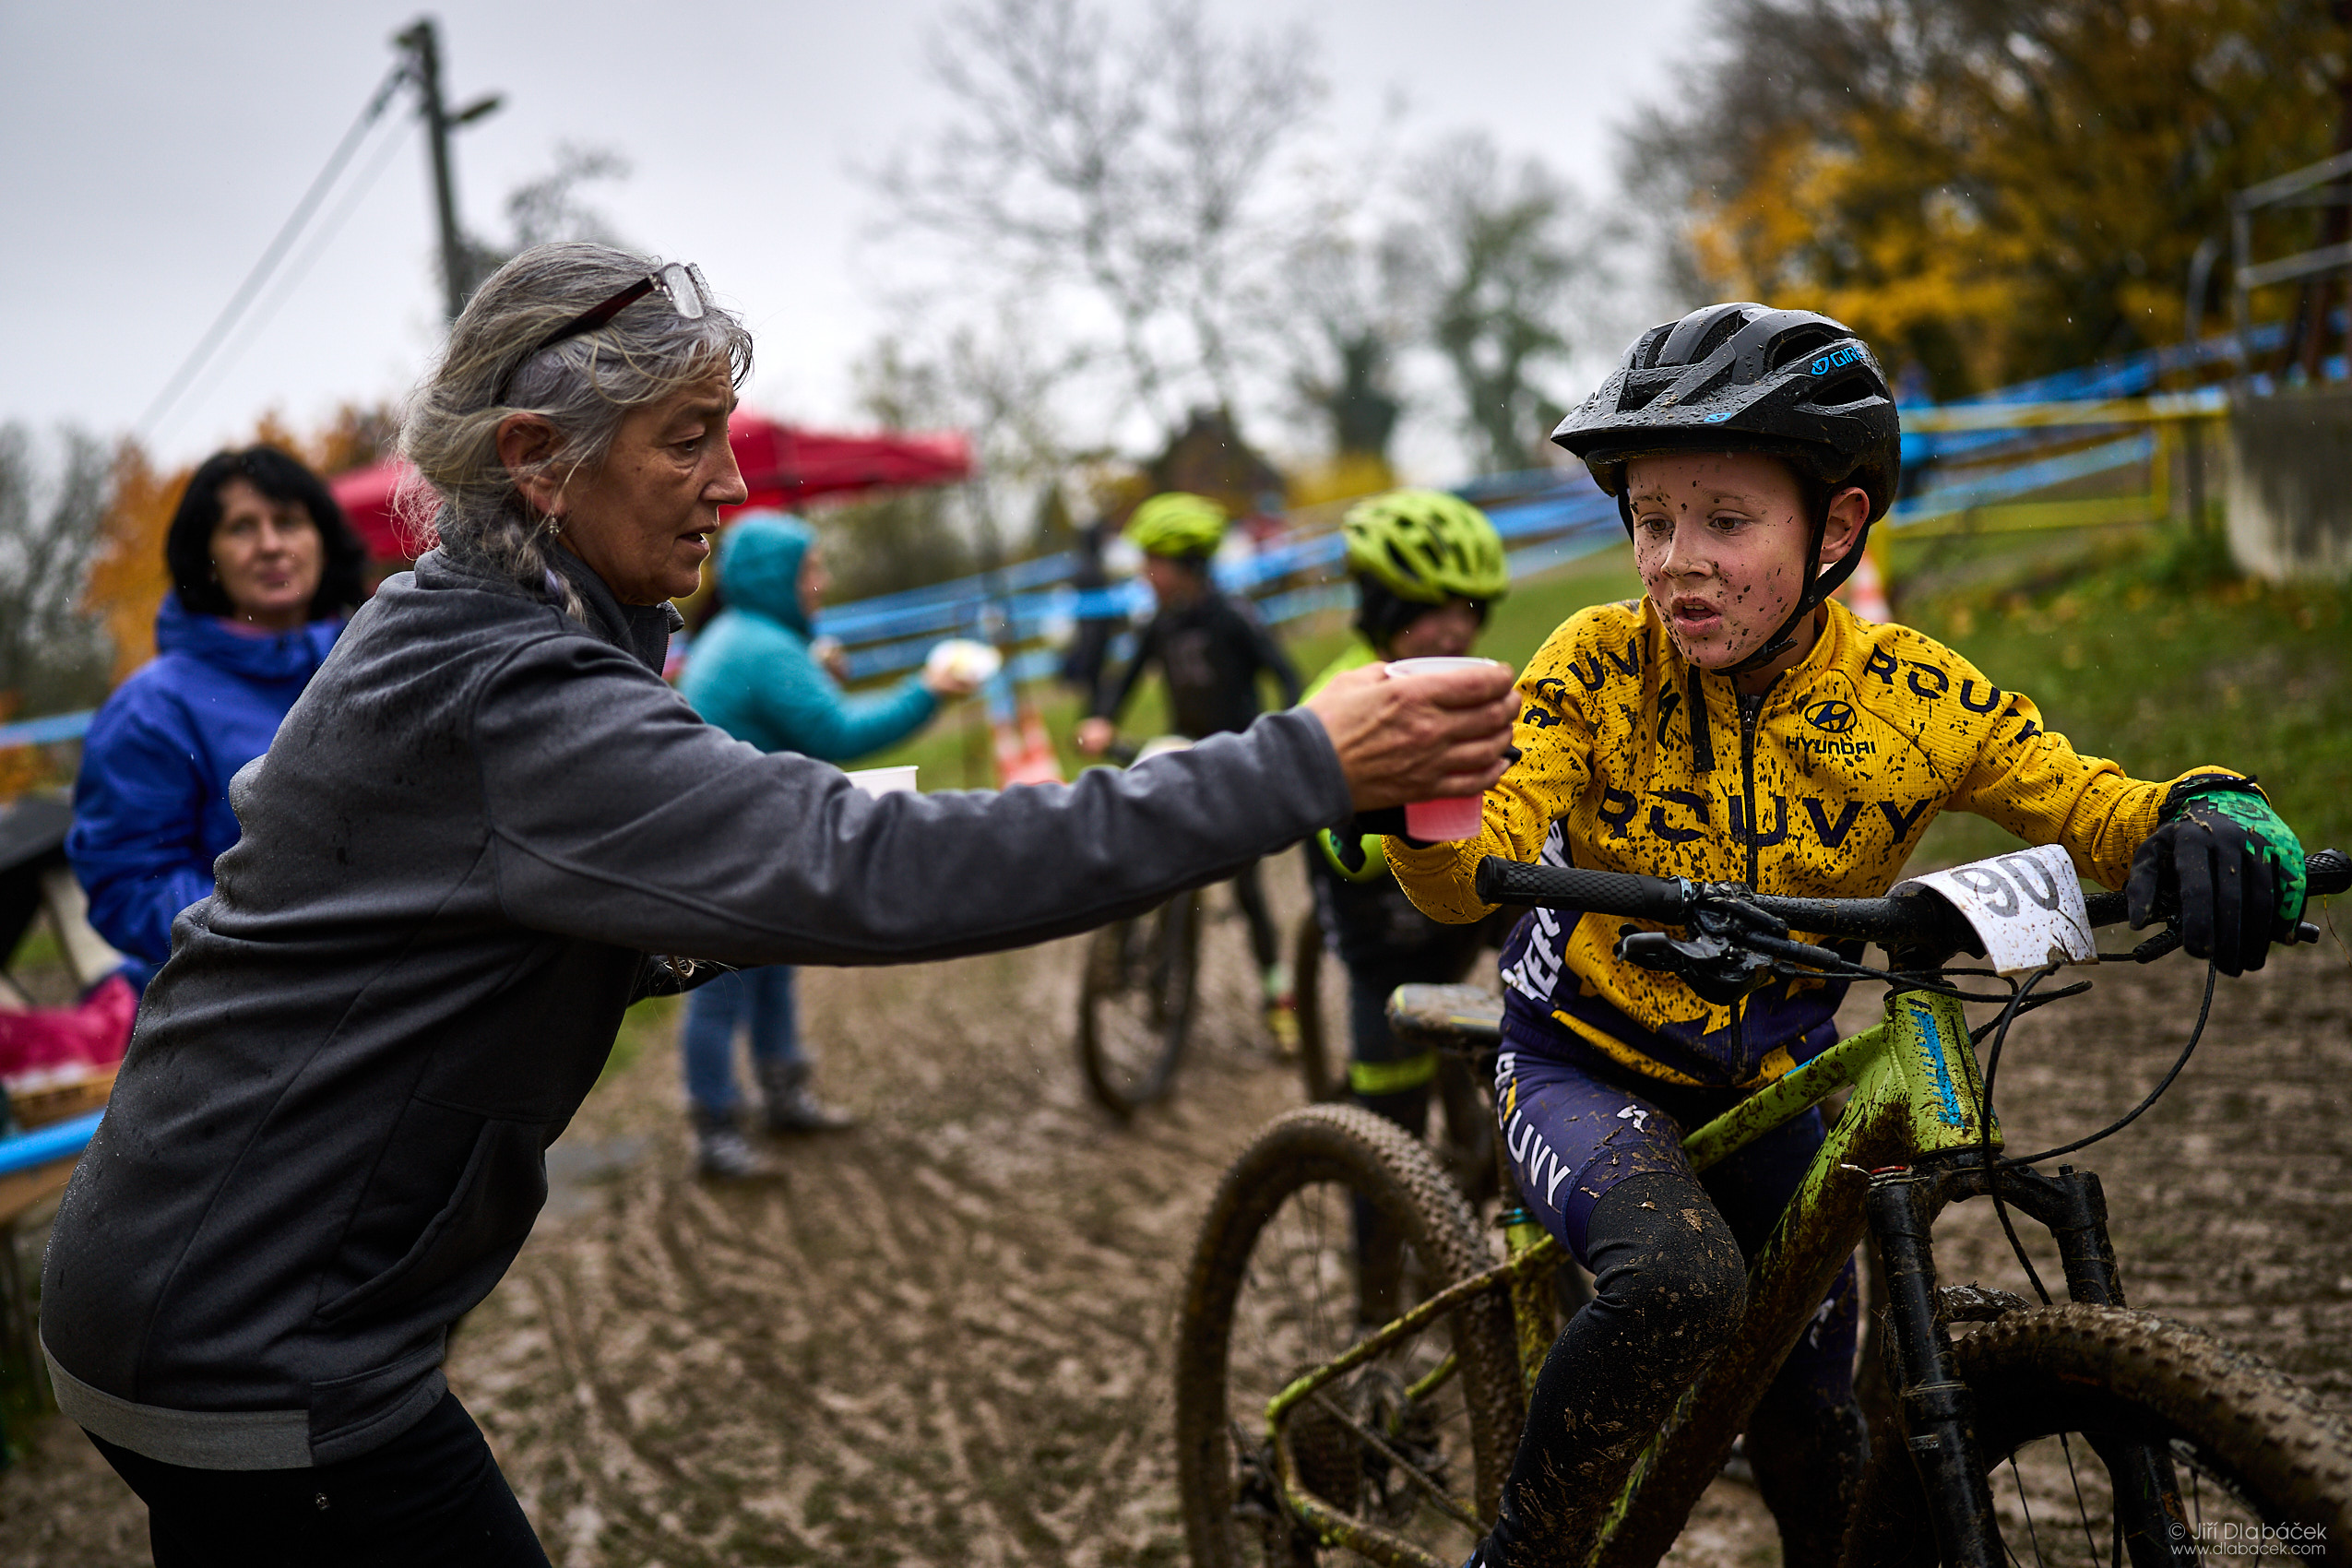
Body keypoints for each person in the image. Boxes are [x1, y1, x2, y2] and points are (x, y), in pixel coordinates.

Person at [37, 242, 1518, 1566]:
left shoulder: (467, 630)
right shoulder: (509, 682)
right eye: (689, 441)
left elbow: (742, 845)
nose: (733, 486)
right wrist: (1302, 761)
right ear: (538, 458)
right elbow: (864, 870)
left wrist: (730, 883)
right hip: (258, 1343)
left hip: (195, 1289)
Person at [1381, 303, 2309, 1568]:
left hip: (1770, 1088)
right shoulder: (1596, 665)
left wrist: (2202, 808)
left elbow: (2085, 797)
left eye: (1723, 520)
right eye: (1650, 521)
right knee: (1682, 1286)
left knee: (1821, 1437)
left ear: (1835, 528)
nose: (1675, 564)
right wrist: (1418, 820)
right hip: (1582, 1064)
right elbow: (1465, 873)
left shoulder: (1908, 696)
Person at [674, 509, 974, 1175]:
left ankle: (782, 1096)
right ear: (776, 577)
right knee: (721, 988)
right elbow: (836, 734)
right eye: (811, 568)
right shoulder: (759, 646)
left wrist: (811, 663)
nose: (823, 581)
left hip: (740, 838)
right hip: (725, 848)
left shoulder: (744, 635)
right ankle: (715, 1127)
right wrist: (927, 690)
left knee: (771, 969)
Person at [66, 446, 368, 991]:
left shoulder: (380, 664)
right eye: (242, 528)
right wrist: (270, 933)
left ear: (322, 539)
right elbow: (130, 884)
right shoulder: (152, 709)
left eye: (289, 522)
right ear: (207, 556)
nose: (272, 545)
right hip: (237, 1007)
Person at [1302, 489, 1511, 1146]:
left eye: (1469, 610)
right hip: (1383, 938)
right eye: (1430, 611)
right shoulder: (1336, 701)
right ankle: (1376, 1248)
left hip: (1461, 908)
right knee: (1388, 1129)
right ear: (1384, 610)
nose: (1455, 630)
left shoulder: (1468, 688)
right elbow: (1354, 854)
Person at [1076, 491, 1305, 1044]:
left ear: (1185, 565)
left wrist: (1286, 733)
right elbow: (1124, 680)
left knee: (1248, 893)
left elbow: (1288, 676)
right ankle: (1132, 949)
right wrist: (1102, 719)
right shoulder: (1160, 624)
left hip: (1239, 762)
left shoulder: (1234, 618)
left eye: (1152, 562)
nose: (1144, 573)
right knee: (1149, 846)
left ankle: (1279, 997)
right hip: (1183, 753)